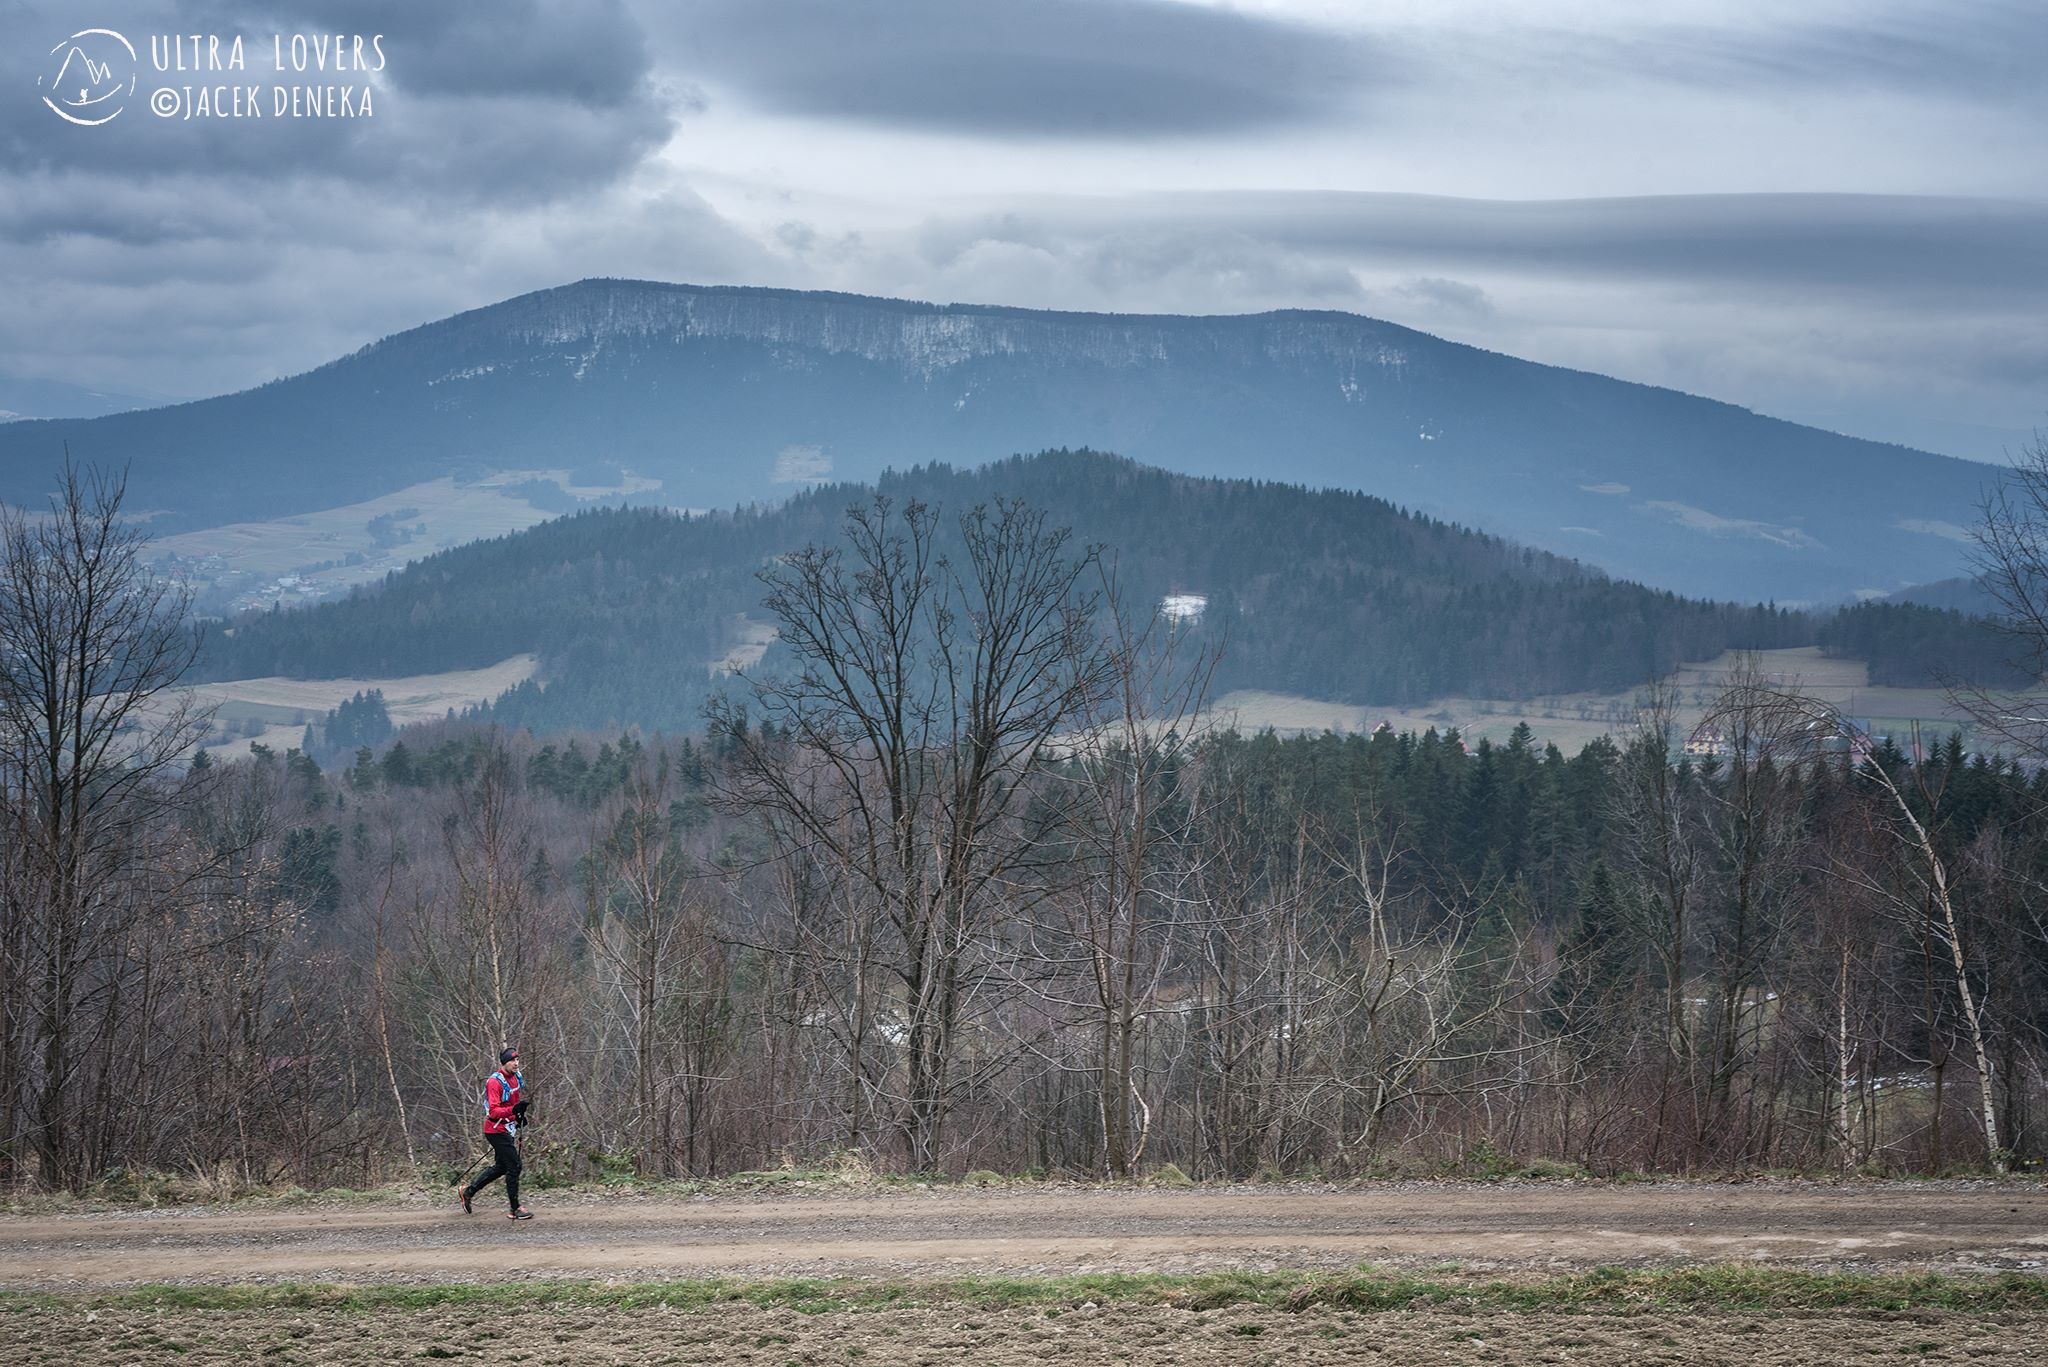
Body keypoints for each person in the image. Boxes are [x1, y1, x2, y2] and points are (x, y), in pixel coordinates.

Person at [458, 1046, 532, 1219]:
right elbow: (493, 1111)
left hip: (507, 1127)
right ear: (504, 1063)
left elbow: (513, 1103)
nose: (516, 1063)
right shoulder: (494, 1082)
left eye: (517, 1059)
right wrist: (514, 1110)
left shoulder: (516, 1077)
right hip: (495, 1129)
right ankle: (515, 1208)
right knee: (514, 1165)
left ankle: (468, 1192)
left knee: (501, 1167)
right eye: (512, 1061)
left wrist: (519, 1116)